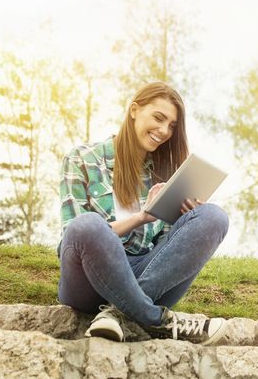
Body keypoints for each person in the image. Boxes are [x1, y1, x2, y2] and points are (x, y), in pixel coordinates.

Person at [56, 81, 229, 345]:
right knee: (87, 226)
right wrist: (141, 216)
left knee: (213, 217)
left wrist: (185, 219)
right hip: (87, 280)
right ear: (135, 110)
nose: (164, 131)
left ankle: (118, 314)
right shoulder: (82, 158)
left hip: (144, 275)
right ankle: (157, 319)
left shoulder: (163, 175)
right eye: (159, 118)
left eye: (171, 126)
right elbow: (74, 236)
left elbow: (168, 255)